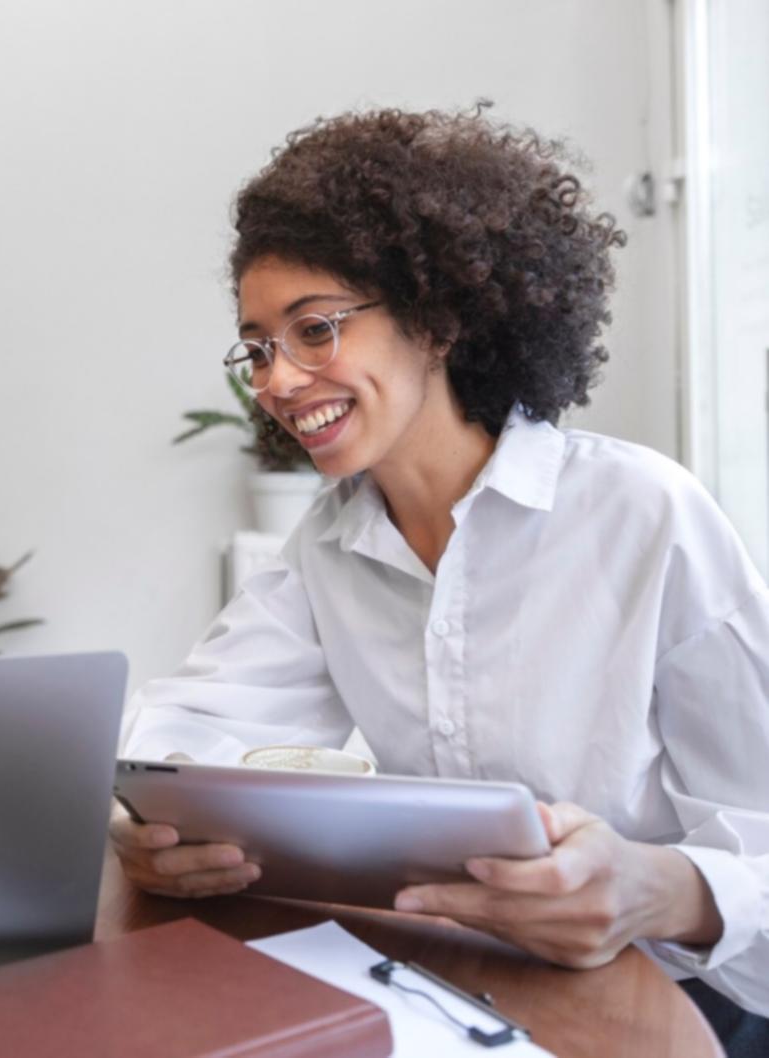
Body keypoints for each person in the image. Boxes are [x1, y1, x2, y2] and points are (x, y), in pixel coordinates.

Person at [115, 106, 769, 1054]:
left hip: (672, 1004)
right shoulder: (330, 545)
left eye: (315, 329)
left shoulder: (643, 514)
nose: (278, 379)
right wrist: (147, 827)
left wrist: (653, 889)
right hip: (460, 991)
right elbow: (186, 735)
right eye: (259, 347)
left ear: (438, 318)